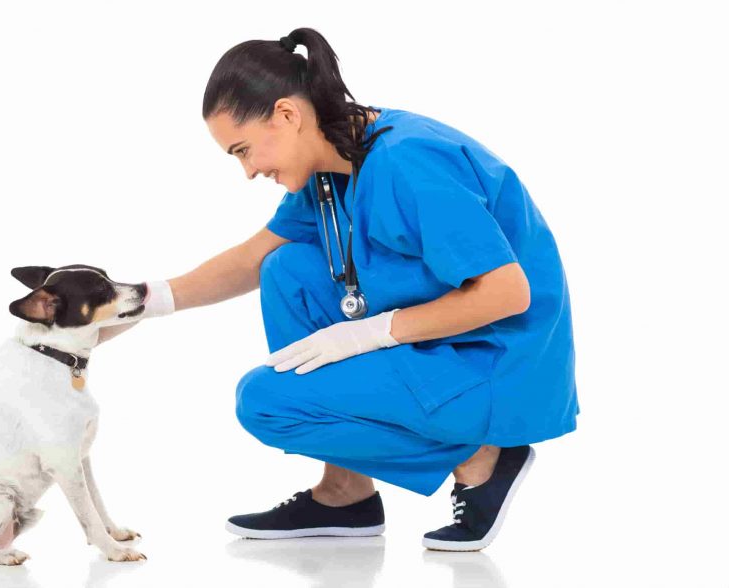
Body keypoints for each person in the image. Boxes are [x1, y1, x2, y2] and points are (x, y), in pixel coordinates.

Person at [100, 27, 578, 551]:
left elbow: (507, 294)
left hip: (495, 364)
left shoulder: (407, 160)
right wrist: (140, 302)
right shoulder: (332, 167)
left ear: (286, 115)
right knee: (287, 269)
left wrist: (371, 334)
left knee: (266, 402)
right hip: (443, 351)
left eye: (243, 150)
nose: (249, 171)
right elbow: (253, 257)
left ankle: (483, 457)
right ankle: (346, 492)